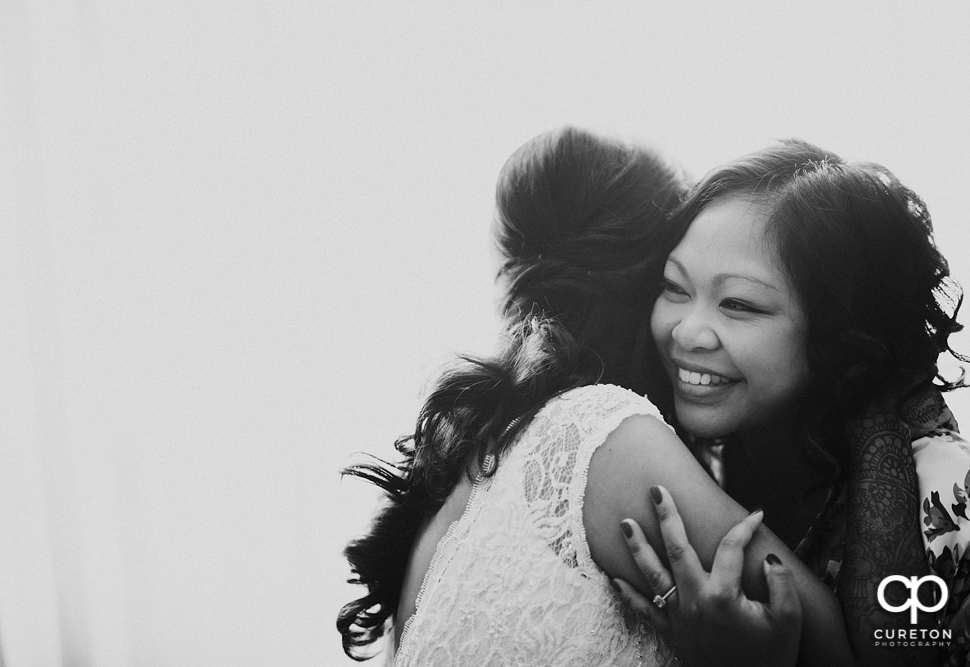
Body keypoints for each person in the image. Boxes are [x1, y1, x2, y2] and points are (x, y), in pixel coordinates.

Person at [336, 128, 856, 666]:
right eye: (675, 286)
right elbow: (831, 644)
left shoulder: (464, 461)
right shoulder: (599, 438)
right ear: (645, 279)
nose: (689, 327)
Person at [613, 139, 970, 666]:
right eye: (674, 287)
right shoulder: (671, 440)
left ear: (844, 337)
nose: (685, 333)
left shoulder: (944, 496)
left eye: (738, 303)